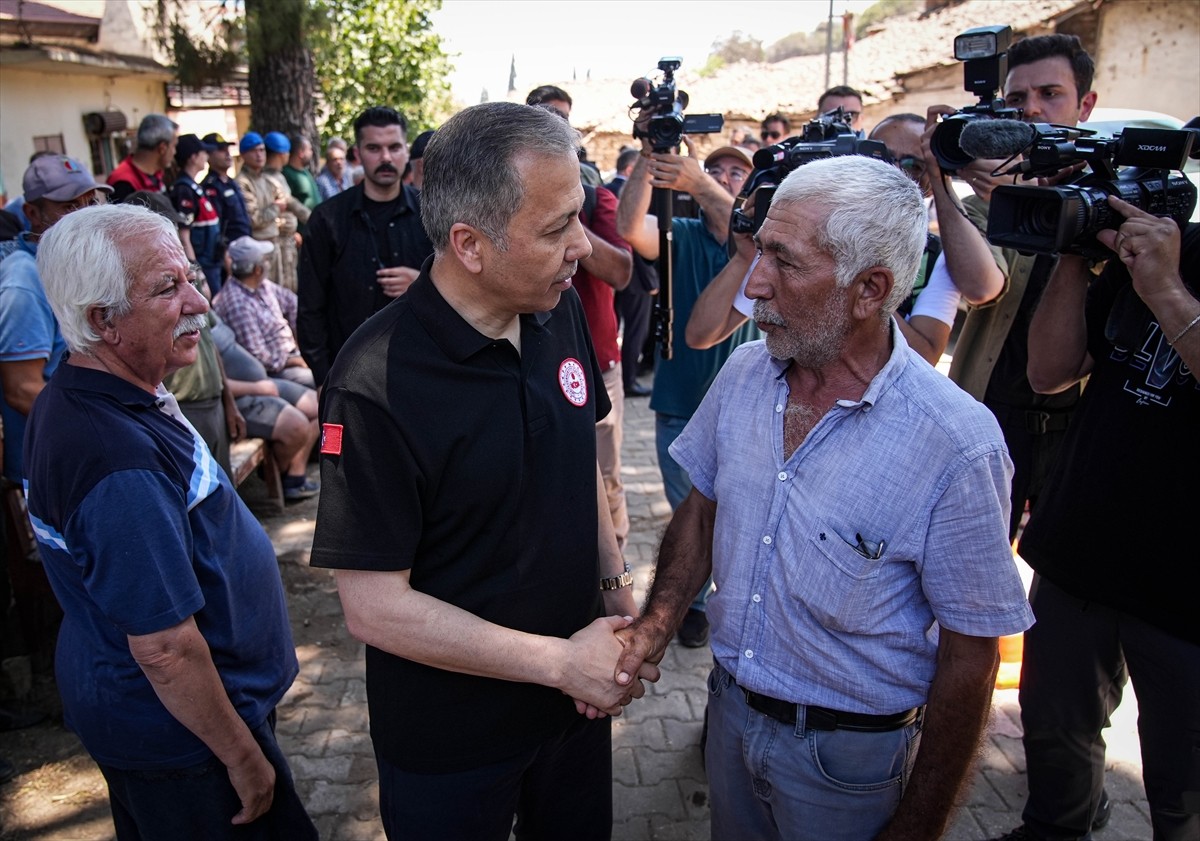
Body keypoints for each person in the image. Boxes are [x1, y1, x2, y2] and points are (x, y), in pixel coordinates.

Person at [614, 155, 1034, 841]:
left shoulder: (957, 443)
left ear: (870, 289)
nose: (755, 284)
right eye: (760, 252)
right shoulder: (744, 371)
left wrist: (919, 824)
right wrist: (658, 621)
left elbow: (971, 655)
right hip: (728, 713)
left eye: (784, 261)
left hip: (849, 764)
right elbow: (702, 509)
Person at [309, 101, 646, 840]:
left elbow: (579, 463)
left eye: (579, 216)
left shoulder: (556, 307)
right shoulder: (372, 383)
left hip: (573, 707)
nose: (582, 248)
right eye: (557, 227)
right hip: (451, 743)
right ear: (469, 243)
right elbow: (373, 608)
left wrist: (614, 588)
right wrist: (559, 662)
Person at [24, 203, 317, 839]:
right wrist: (240, 755)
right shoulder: (115, 458)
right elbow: (163, 647)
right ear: (102, 320)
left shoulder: (105, 391)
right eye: (167, 288)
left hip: (177, 728)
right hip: (188, 745)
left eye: (190, 277)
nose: (199, 303)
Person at [988, 201, 1199, 841]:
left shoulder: (1164, 265)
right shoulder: (1171, 245)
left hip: (1187, 584)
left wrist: (1165, 289)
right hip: (1082, 547)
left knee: (1184, 783)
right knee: (1054, 729)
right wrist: (1074, 250)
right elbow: (1049, 372)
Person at [926, 34, 1097, 541]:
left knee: (1058, 563)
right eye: (1018, 98)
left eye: (1051, 94)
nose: (1033, 110)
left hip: (1077, 428)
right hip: (992, 417)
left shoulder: (1110, 196)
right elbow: (981, 286)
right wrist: (942, 173)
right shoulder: (985, 200)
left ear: (1085, 104)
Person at [615, 134, 759, 648]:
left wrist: (699, 183)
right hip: (679, 402)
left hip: (747, 405)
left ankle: (728, 599)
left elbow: (745, 226)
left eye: (736, 173)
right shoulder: (681, 233)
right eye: (715, 170)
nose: (724, 178)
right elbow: (629, 227)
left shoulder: (764, 242)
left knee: (740, 514)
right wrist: (648, 155)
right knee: (690, 513)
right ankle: (695, 605)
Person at [686, 113, 958, 368]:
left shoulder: (936, 257)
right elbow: (701, 335)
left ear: (930, 180)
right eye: (879, 158)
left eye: (912, 165)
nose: (893, 172)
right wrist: (745, 256)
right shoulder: (798, 242)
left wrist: (855, 279)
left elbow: (923, 359)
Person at [527, 86, 635, 552]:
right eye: (542, 116)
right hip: (532, 360)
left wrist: (568, 216)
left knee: (605, 478)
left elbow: (622, 272)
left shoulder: (595, 199)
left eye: (561, 117)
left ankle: (615, 567)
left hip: (596, 360)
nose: (553, 125)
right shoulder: (513, 199)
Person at [297, 106, 433, 385]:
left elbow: (463, 289)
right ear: (358, 154)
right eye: (374, 148)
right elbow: (310, 307)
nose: (386, 158)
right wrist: (323, 379)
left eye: (394, 147)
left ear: (406, 151)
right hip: (350, 376)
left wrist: (423, 284)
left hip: (423, 369)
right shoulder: (328, 220)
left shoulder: (432, 213)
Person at [0, 156, 111, 484]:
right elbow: (21, 389)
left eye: (90, 202)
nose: (84, 215)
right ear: (32, 214)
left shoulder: (72, 262)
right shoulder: (23, 281)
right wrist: (102, 431)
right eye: (69, 206)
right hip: (58, 464)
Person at [211, 313, 320, 502]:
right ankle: (284, 477)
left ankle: (295, 471)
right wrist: (258, 388)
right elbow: (214, 383)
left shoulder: (205, 310)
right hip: (243, 395)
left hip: (263, 382)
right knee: (297, 426)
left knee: (321, 404)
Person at [213, 236, 315, 389]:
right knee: (323, 378)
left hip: (293, 354)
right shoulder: (238, 305)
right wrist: (295, 361)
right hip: (275, 371)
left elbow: (293, 303)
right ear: (257, 270)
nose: (268, 263)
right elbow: (260, 357)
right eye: (265, 260)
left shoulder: (261, 285)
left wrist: (301, 339)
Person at [606, 147, 658, 397]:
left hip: (610, 276)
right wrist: (650, 279)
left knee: (614, 325)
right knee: (636, 330)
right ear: (630, 169)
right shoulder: (633, 195)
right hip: (636, 276)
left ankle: (614, 372)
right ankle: (628, 380)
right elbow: (635, 242)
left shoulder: (605, 190)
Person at [236, 132, 292, 295]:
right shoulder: (242, 182)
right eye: (254, 151)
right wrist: (276, 208)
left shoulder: (267, 179)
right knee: (263, 295)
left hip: (275, 243)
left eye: (262, 150)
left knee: (281, 292)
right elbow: (254, 219)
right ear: (243, 155)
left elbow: (286, 202)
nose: (259, 155)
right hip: (258, 249)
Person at [168, 134, 224, 295]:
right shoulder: (184, 189)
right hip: (203, 264)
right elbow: (183, 235)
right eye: (203, 152)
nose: (207, 156)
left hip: (213, 260)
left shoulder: (194, 186)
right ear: (193, 157)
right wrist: (196, 270)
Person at [200, 133, 252, 268]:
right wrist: (224, 252)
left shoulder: (231, 182)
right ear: (208, 155)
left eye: (228, 150)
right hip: (228, 253)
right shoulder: (210, 186)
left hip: (244, 246)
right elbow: (218, 227)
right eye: (221, 150)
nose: (228, 154)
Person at [106, 114, 178, 202]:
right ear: (162, 148)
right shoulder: (123, 183)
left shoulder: (156, 173)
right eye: (174, 146)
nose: (174, 152)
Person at [282, 134, 322, 225]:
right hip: (301, 228)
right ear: (301, 153)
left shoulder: (305, 171)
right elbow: (286, 204)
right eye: (309, 149)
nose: (312, 153)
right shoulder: (287, 174)